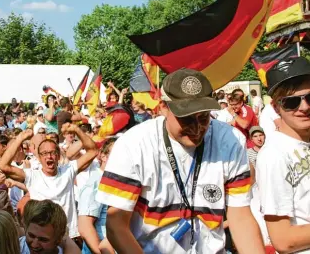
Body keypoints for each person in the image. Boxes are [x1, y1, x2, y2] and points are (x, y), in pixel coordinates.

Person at [96, 69, 265, 253]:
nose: (197, 127)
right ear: (163, 107)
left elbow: (241, 217)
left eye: (203, 117)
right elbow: (116, 224)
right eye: (186, 118)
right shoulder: (134, 144)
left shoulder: (230, 140)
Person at [0, 124, 98, 243]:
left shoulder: (69, 170)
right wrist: (19, 139)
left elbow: (93, 151)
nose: (49, 156)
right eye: (44, 153)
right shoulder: (32, 176)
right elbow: (3, 166)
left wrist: (77, 130)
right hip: (42, 239)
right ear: (39, 158)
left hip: (69, 237)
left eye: (52, 153)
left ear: (57, 155)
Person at [256, 57, 310, 253]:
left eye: (309, 98)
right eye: (291, 102)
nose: (304, 107)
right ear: (276, 107)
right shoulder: (274, 156)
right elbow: (283, 240)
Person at [78, 138, 116, 254]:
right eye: (116, 154)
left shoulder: (114, 181)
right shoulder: (96, 182)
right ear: (103, 156)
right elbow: (85, 226)